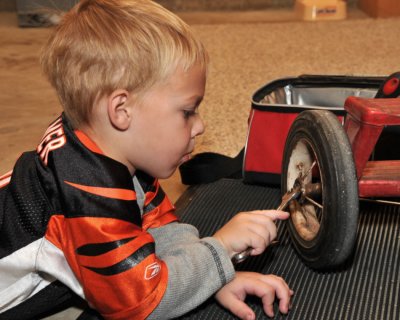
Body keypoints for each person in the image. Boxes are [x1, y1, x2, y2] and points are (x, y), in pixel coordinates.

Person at [0, 0, 293, 319]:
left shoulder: (108, 147)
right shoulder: (89, 200)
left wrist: (213, 276)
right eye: (187, 111)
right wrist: (219, 249)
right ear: (121, 111)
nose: (201, 125)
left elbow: (157, 225)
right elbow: (141, 302)